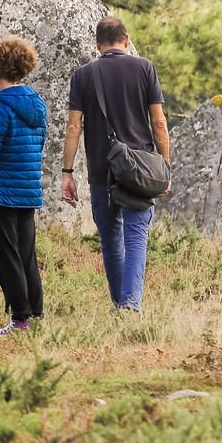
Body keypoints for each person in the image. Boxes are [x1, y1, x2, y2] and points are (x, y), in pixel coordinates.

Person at [61, 17, 171, 313]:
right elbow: (158, 122)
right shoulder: (144, 67)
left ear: (98, 45)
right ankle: (129, 303)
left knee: (110, 240)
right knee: (136, 237)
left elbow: (74, 127)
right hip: (139, 169)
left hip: (101, 169)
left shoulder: (83, 75)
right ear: (127, 39)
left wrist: (67, 172)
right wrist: (165, 165)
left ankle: (120, 303)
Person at [0, 38, 47, 335]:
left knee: (5, 256)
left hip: (2, 191)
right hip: (28, 190)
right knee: (26, 254)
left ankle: (20, 319)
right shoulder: (36, 103)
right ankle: (35, 312)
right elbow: (38, 146)